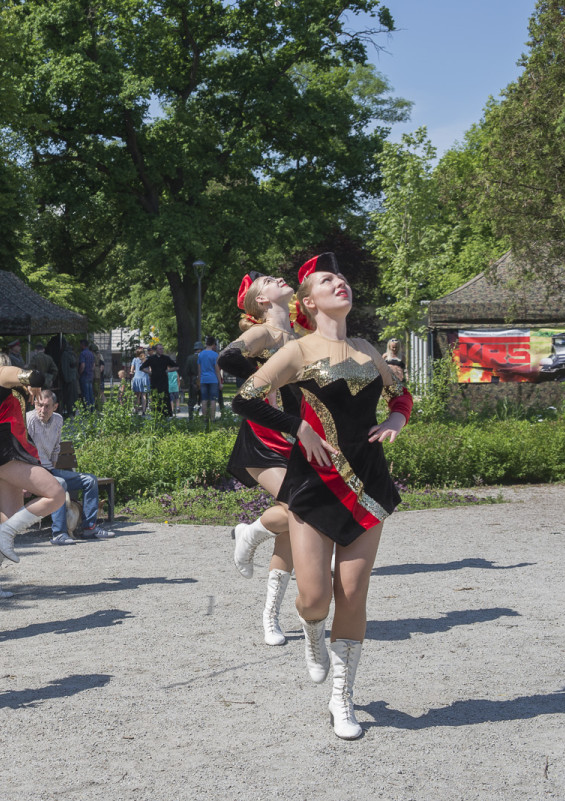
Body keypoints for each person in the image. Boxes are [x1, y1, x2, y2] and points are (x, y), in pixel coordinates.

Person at [233, 253, 413, 740]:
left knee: (352, 592)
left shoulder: (367, 349)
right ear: (308, 302)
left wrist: (397, 418)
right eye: (327, 281)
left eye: (343, 278)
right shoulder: (296, 350)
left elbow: (401, 392)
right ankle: (311, 633)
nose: (341, 284)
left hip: (368, 483)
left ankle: (342, 698)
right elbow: (244, 398)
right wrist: (298, 430)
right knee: (314, 599)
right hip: (313, 483)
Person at [222, 271, 302, 648]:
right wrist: (260, 378)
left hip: (300, 440)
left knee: (294, 520)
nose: (280, 277)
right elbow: (229, 357)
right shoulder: (264, 334)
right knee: (302, 508)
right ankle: (250, 533)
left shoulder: (302, 338)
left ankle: (271, 615)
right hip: (263, 438)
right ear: (262, 301)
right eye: (270, 280)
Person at [0, 340, 63, 599]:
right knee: (56, 492)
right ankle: (3, 534)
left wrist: (26, 385)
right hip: (7, 449)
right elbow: (36, 374)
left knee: (11, 516)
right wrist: (31, 382)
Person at [26, 389, 110, 543]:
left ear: (55, 407)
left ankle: (89, 528)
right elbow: (23, 449)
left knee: (90, 480)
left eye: (47, 406)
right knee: (60, 483)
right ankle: (58, 533)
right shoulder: (30, 419)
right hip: (32, 472)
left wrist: (52, 468)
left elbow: (56, 447)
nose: (42, 410)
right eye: (39, 405)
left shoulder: (58, 420)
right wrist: (24, 482)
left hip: (49, 470)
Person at [141, 343, 178, 417]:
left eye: (162, 349)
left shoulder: (166, 358)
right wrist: (150, 372)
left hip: (164, 380)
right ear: (156, 350)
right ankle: (156, 413)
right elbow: (142, 368)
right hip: (154, 380)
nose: (161, 350)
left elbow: (176, 367)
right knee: (155, 396)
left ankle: (166, 413)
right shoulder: (151, 358)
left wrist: (168, 370)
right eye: (160, 349)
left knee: (165, 396)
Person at [198, 336, 221, 419]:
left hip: (203, 379)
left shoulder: (201, 354)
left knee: (204, 399)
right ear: (213, 344)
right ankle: (212, 418)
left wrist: (199, 381)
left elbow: (199, 370)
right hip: (213, 379)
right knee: (213, 400)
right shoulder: (215, 355)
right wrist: (220, 383)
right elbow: (217, 370)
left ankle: (204, 418)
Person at [59, 337, 80, 416]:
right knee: (72, 395)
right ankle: (72, 411)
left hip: (70, 378)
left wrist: (66, 379)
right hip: (72, 378)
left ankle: (71, 412)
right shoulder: (71, 354)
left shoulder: (66, 354)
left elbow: (65, 367)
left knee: (71, 396)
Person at [129, 346, 149, 414]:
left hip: (137, 378)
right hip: (145, 378)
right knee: (144, 395)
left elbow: (131, 370)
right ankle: (144, 411)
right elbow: (150, 369)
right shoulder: (147, 359)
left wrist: (133, 371)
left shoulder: (135, 359)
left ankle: (136, 410)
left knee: (137, 395)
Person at [78, 340, 96, 410]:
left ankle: (87, 410)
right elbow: (93, 366)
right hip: (90, 375)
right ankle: (92, 409)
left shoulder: (82, 353)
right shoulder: (91, 354)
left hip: (84, 375)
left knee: (85, 394)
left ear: (82, 345)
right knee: (91, 394)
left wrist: (79, 373)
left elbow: (82, 365)